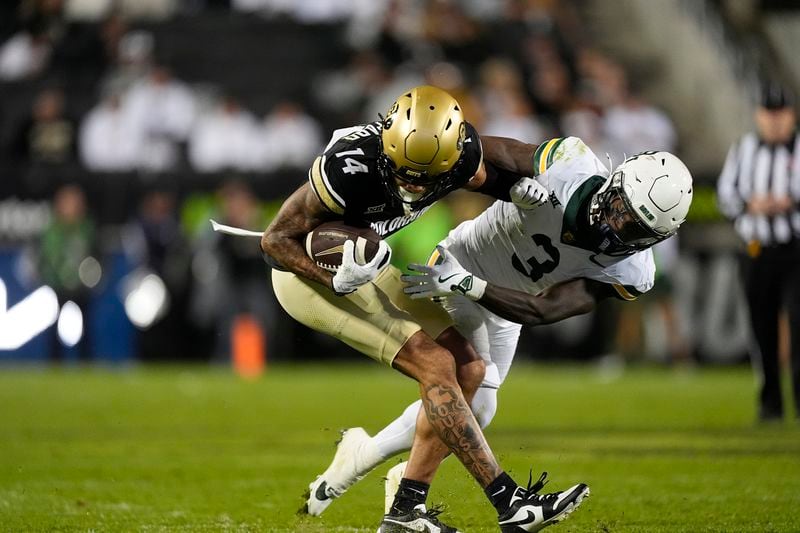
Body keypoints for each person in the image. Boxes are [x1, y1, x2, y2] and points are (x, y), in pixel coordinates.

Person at [307, 137, 694, 523]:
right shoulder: (568, 163)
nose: (617, 227)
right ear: (614, 183)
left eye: (636, 229)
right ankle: (410, 495)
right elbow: (466, 147)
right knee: (470, 383)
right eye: (620, 210)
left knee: (479, 408)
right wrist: (505, 186)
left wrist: (469, 284)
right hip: (457, 263)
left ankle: (366, 459)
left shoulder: (634, 269)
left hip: (502, 300)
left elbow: (544, 310)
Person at [259, 85, 589, 532]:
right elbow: (274, 241)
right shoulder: (349, 165)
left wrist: (518, 190)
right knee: (436, 364)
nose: (415, 184)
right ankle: (509, 502)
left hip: (371, 267)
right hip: (307, 279)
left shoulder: (458, 155)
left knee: (469, 369)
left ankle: (404, 512)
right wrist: (332, 277)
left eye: (427, 176)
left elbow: (487, 177)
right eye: (406, 172)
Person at [717, 80, 800, 423]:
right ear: (759, 116)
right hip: (755, 250)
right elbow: (725, 196)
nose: (775, 120)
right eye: (769, 113)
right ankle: (770, 404)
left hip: (797, 250)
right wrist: (752, 204)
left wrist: (790, 202)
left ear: (792, 116)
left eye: (781, 113)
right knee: (761, 327)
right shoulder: (744, 149)